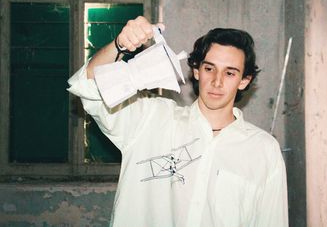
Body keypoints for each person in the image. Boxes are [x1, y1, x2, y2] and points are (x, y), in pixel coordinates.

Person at [68, 16, 288, 226]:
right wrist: (120, 45)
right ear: (196, 71)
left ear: (244, 81)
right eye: (209, 68)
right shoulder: (150, 119)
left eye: (230, 73)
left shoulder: (263, 150)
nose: (217, 81)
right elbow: (89, 88)